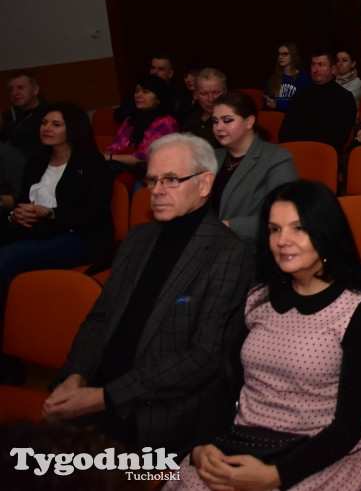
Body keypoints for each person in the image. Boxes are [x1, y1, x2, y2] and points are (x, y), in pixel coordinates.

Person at [43, 134, 252, 452]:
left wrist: (104, 397)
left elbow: (203, 358)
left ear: (204, 184)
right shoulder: (138, 237)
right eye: (152, 180)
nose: (156, 191)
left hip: (156, 409)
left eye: (171, 180)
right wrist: (76, 375)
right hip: (95, 388)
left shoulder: (229, 253)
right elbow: (100, 317)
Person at [171, 180, 361, 491]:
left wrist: (277, 475)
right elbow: (226, 385)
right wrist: (203, 445)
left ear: (326, 233)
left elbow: (349, 426)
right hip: (247, 439)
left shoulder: (356, 309)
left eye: (299, 228)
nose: (283, 240)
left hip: (317, 452)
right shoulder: (259, 297)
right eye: (274, 229)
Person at [0, 102, 113, 288]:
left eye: (56, 124)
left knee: (7, 257)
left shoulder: (91, 162)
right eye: (44, 123)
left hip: (80, 237)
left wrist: (49, 213)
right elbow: (22, 202)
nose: (47, 128)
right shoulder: (35, 163)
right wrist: (15, 215)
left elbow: (96, 212)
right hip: (37, 231)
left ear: (73, 128)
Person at [211, 92, 298, 243]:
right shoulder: (211, 157)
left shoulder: (277, 158)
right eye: (215, 121)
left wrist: (224, 226)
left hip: (252, 249)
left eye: (227, 120)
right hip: (209, 246)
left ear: (249, 121)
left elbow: (284, 215)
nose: (218, 127)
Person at [279, 50, 358, 171]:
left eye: (321, 65)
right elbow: (286, 128)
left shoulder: (344, 97)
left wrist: (312, 149)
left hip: (325, 155)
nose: (315, 69)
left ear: (333, 69)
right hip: (296, 153)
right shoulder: (300, 94)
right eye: (313, 64)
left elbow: (341, 135)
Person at [104, 75, 180, 184]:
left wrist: (111, 157)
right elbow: (115, 147)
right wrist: (106, 156)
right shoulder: (130, 120)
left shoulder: (166, 122)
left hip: (151, 173)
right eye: (137, 91)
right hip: (120, 167)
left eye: (145, 92)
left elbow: (146, 157)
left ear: (158, 98)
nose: (138, 95)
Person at [114, 55, 178, 123]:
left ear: (170, 74)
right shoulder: (139, 94)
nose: (155, 73)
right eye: (153, 68)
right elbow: (118, 115)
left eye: (161, 69)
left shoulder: (176, 98)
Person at [1, 70, 48, 160]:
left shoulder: (47, 116)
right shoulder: (7, 118)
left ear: (35, 90)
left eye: (20, 87)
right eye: (11, 89)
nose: (15, 93)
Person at [181, 68, 228, 149]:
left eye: (216, 92)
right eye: (204, 93)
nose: (211, 99)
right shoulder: (191, 120)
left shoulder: (232, 122)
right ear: (195, 94)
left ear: (225, 92)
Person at [264, 42, 310, 112]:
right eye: (279, 54)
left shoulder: (303, 78)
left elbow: (303, 105)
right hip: (275, 117)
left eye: (284, 54)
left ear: (293, 56)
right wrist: (269, 103)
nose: (280, 57)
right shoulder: (273, 79)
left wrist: (278, 106)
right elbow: (266, 99)